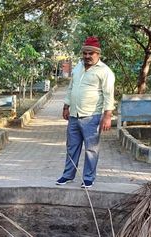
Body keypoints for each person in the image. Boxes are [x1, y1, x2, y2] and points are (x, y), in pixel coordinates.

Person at [56, 36, 115, 189]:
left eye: (91, 54)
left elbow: (109, 95)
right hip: (74, 115)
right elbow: (71, 88)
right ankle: (68, 175)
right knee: (72, 147)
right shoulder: (78, 67)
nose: (87, 56)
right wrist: (66, 106)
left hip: (91, 117)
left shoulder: (105, 71)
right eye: (85, 53)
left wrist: (107, 116)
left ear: (98, 54)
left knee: (91, 149)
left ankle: (88, 178)